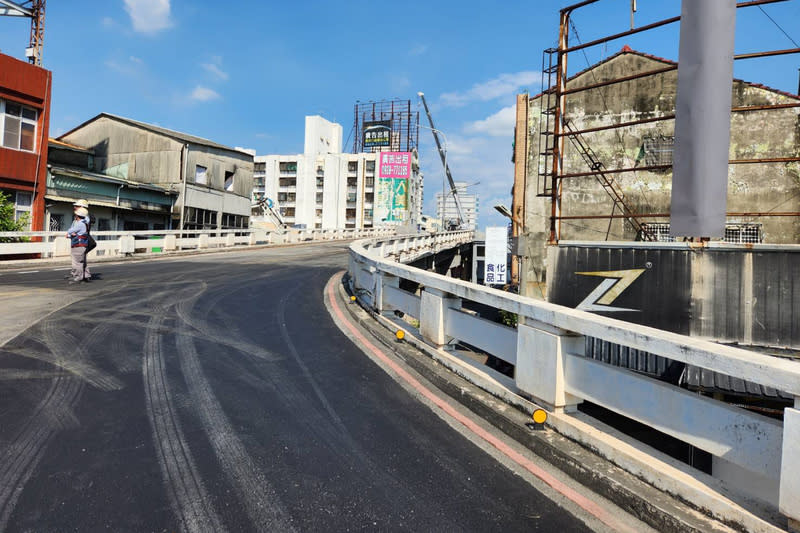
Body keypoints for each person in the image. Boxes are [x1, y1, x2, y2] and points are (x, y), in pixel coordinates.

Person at [66, 207, 91, 283]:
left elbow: (70, 230)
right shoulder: (86, 223)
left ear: (77, 216)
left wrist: (71, 234)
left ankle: (78, 277)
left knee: (77, 262)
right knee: (83, 262)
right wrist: (73, 234)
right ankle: (86, 276)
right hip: (83, 245)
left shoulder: (80, 224)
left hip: (78, 245)